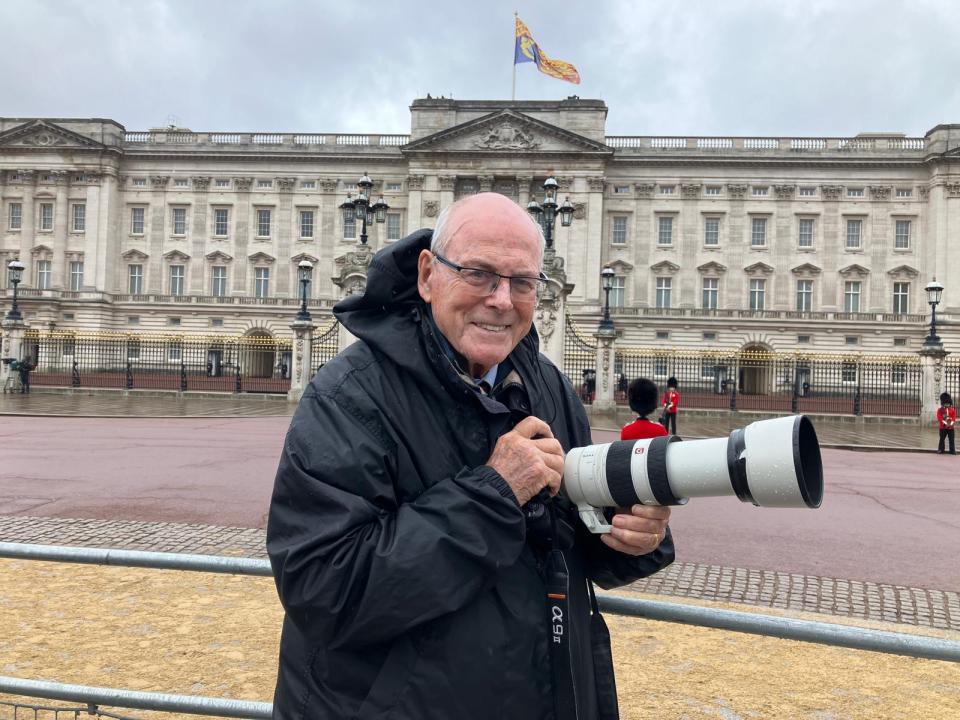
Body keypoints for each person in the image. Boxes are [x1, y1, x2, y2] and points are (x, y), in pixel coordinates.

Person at [267, 193, 675, 720]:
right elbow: (324, 590)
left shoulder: (547, 384)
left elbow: (570, 543)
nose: (502, 299)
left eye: (522, 282)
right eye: (479, 273)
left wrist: (630, 537)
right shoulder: (348, 395)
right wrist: (494, 491)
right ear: (428, 274)